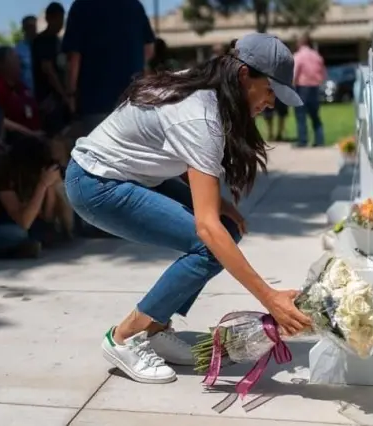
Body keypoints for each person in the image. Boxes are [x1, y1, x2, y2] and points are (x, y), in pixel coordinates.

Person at [64, 33, 309, 384]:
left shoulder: (208, 89)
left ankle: (156, 328)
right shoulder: (201, 116)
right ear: (244, 76)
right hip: (96, 183)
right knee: (210, 243)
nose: (272, 103)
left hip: (129, 173)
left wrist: (219, 202)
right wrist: (269, 297)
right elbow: (207, 229)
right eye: (270, 90)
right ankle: (124, 337)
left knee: (227, 227)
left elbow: (166, 145)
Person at [62, 0, 155, 136]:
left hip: (94, 101)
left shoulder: (81, 6)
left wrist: (71, 94)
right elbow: (149, 49)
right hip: (133, 99)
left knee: (98, 152)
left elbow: (74, 57)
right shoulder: (135, 5)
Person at [32, 2, 70, 136]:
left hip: (59, 97)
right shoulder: (42, 40)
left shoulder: (58, 41)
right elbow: (48, 69)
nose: (60, 23)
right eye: (57, 18)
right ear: (49, 18)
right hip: (48, 97)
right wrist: (64, 94)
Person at [293, 33, 326, 147]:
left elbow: (294, 72)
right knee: (315, 115)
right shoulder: (316, 55)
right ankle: (319, 140)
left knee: (300, 114)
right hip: (315, 87)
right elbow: (323, 72)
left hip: (302, 87)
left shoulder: (298, 56)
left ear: (301, 42)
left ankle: (303, 140)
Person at [14, 15, 37, 93]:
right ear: (24, 28)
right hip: (26, 92)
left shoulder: (42, 46)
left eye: (34, 26)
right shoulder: (18, 49)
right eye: (29, 26)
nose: (33, 29)